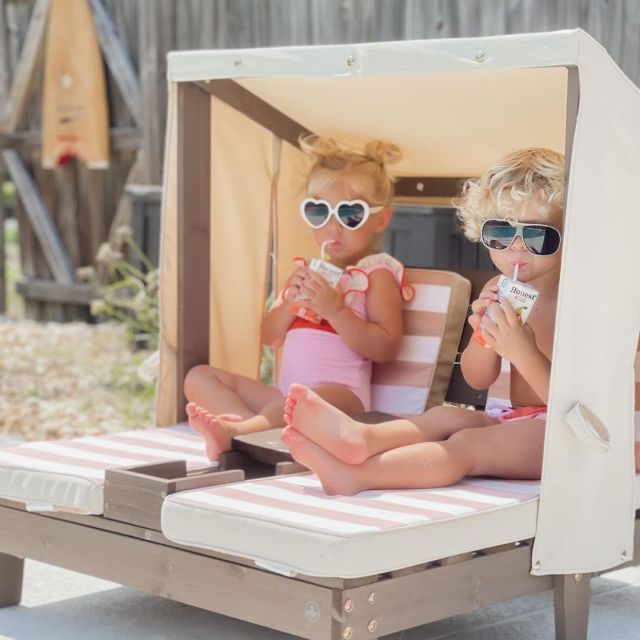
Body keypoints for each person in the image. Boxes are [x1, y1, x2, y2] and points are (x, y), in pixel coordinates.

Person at [281, 147, 575, 495]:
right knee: (447, 416)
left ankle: (359, 477)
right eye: (500, 232)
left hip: (566, 433)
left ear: (570, 232)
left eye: (537, 236)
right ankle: (361, 437)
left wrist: (521, 350)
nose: (516, 249)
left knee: (467, 444)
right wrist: (483, 335)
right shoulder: (500, 287)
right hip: (514, 416)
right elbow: (478, 376)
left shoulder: (577, 299)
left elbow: (574, 407)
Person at [184, 135, 412, 461]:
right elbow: (270, 337)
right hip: (285, 396)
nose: (333, 228)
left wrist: (336, 310)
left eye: (349, 215)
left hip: (342, 398)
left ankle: (239, 434)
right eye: (319, 212)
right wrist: (292, 302)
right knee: (199, 377)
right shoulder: (307, 274)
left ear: (381, 219)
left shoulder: (375, 275)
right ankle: (249, 430)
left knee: (298, 401)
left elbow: (385, 349)